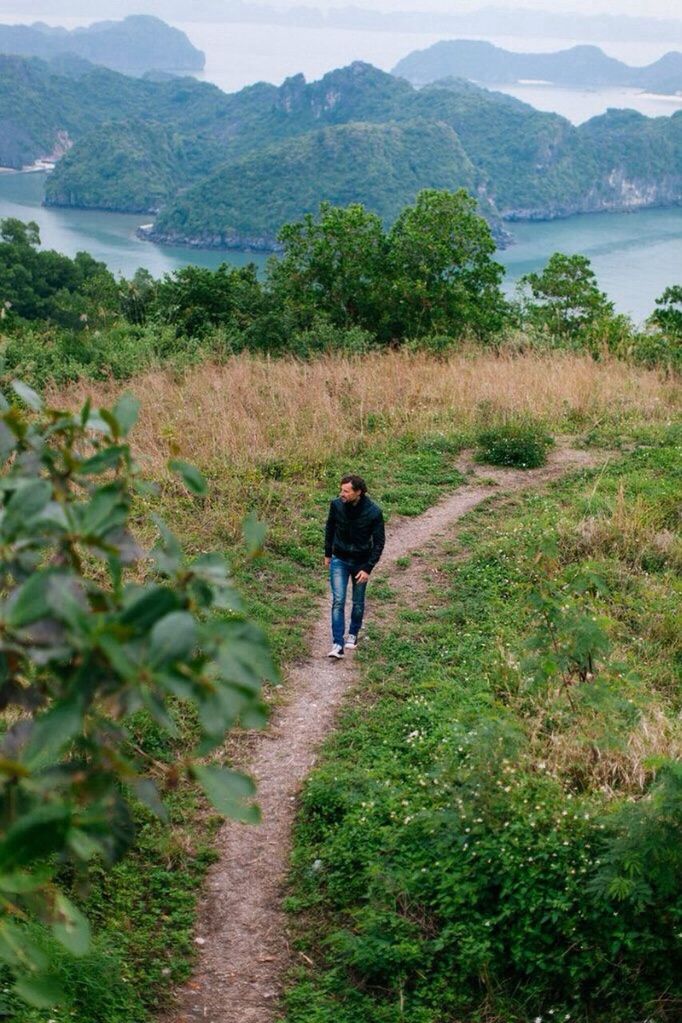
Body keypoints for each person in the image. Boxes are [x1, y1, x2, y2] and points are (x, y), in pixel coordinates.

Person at [324, 474, 385, 659]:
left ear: (358, 492)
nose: (341, 494)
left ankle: (353, 633)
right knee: (338, 600)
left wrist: (368, 568)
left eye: (346, 491)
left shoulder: (374, 512)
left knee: (358, 602)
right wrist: (328, 553)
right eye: (341, 490)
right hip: (339, 559)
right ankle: (337, 644)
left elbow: (379, 542)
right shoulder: (336, 505)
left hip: (361, 562)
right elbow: (330, 528)